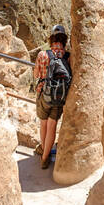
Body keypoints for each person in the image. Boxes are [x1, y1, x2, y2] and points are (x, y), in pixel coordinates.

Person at [34, 24, 72, 170]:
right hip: (59, 97)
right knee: (52, 126)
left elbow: (36, 75)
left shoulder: (43, 55)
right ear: (64, 40)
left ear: (51, 39)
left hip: (43, 94)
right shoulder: (67, 56)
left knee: (43, 124)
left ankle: (44, 151)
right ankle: (45, 158)